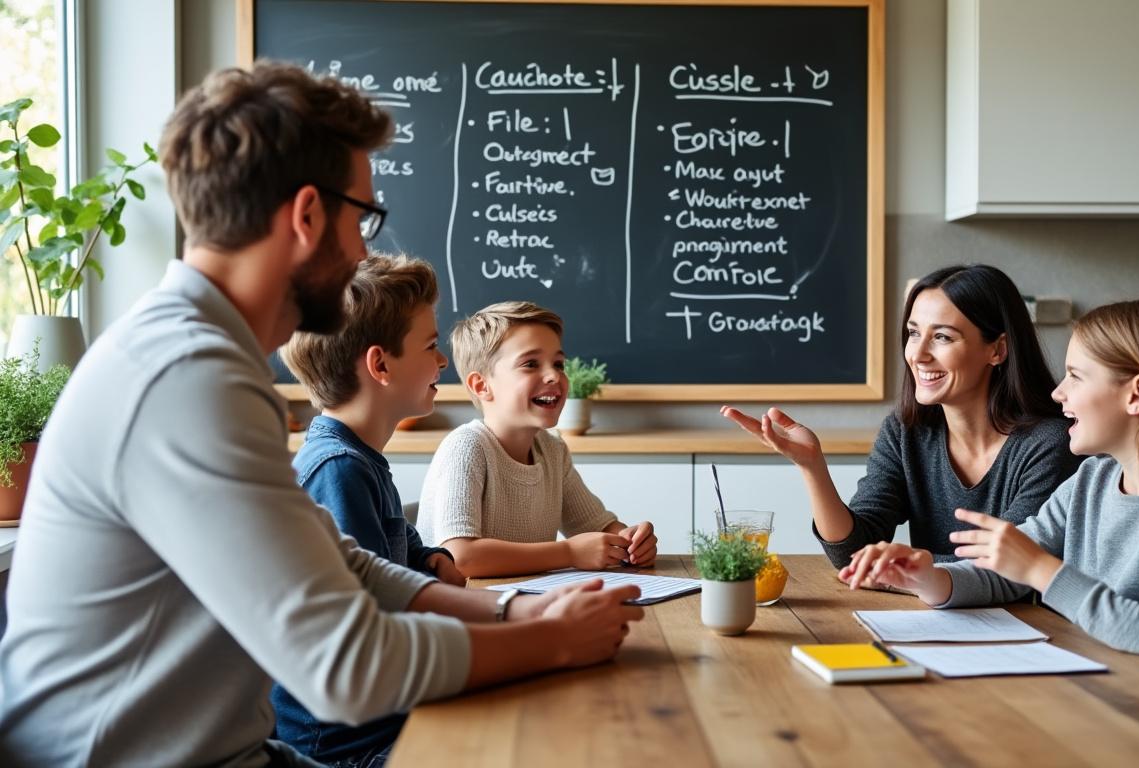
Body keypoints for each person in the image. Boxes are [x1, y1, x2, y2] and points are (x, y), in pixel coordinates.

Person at [0, 62, 642, 767]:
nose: (366, 249)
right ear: (308, 215)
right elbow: (347, 668)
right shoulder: (185, 376)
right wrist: (551, 641)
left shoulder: (199, 355)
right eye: (362, 217)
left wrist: (512, 610)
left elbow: (345, 564)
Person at [842, 300, 1139, 712]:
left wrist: (1042, 571)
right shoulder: (1092, 481)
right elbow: (1008, 569)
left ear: (1137, 394)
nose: (1057, 393)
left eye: (1076, 375)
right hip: (1119, 707)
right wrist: (930, 578)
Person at [723, 264, 1080, 568]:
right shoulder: (906, 431)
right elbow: (852, 554)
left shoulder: (1049, 444)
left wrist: (902, 562)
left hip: (1028, 633)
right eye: (913, 333)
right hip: (934, 620)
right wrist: (812, 466)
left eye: (942, 337)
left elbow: (1008, 567)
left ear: (997, 350)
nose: (918, 354)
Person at [272, 252, 468, 765]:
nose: (443, 361)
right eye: (430, 346)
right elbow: (373, 619)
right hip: (349, 748)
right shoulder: (338, 469)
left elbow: (386, 545)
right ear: (380, 364)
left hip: (382, 720)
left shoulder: (358, 458)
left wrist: (426, 558)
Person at [417, 301, 658, 577]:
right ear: (482, 385)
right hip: (460, 613)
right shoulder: (466, 447)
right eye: (531, 364)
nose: (554, 375)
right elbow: (461, 558)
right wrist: (568, 552)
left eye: (558, 363)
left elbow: (596, 527)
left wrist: (631, 542)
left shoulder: (552, 449)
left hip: (523, 604)